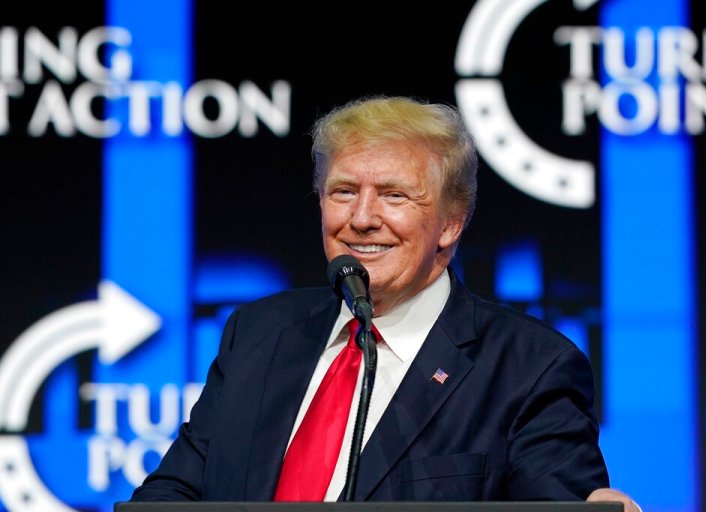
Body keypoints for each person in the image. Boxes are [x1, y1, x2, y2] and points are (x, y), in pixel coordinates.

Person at [130, 95, 639, 509]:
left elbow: (557, 503)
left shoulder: (530, 367)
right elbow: (172, 493)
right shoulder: (258, 332)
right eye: (343, 192)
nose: (362, 218)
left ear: (450, 223)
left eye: (394, 195)